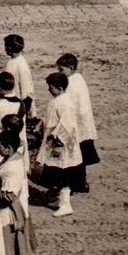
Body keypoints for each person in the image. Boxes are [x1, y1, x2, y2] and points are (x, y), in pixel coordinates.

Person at [0, 116, 38, 255]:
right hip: (21, 211)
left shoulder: (10, 169)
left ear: (8, 148)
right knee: (23, 248)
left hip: (10, 214)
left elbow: (9, 196)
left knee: (10, 251)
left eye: (0, 146)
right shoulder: (17, 158)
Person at [39, 70, 85, 217]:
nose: (48, 90)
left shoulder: (65, 103)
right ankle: (60, 200)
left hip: (61, 146)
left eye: (51, 87)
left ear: (59, 88)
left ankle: (66, 205)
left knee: (63, 174)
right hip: (53, 142)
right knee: (56, 174)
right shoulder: (56, 101)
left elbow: (67, 124)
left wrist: (58, 140)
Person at [57, 53, 100, 178]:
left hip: (77, 123)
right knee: (80, 154)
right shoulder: (79, 79)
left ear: (70, 68)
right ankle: (81, 182)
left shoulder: (70, 84)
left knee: (72, 155)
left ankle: (72, 182)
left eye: (61, 69)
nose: (59, 72)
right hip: (83, 122)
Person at [3, 34, 35, 118]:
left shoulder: (21, 65)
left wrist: (21, 115)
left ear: (9, 48)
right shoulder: (12, 62)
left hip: (17, 108)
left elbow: (27, 93)